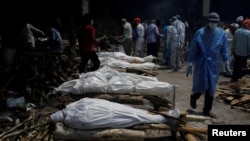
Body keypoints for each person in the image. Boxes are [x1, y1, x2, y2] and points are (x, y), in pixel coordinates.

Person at [186, 12, 231, 118]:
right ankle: (194, 97)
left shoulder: (222, 34)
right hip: (202, 62)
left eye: (215, 22)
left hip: (214, 64)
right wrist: (191, 63)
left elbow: (224, 49)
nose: (213, 24)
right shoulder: (200, 32)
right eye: (212, 22)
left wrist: (227, 62)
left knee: (211, 88)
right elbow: (193, 49)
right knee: (202, 84)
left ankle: (207, 110)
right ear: (208, 21)